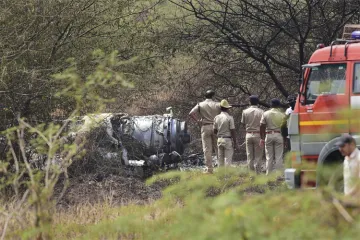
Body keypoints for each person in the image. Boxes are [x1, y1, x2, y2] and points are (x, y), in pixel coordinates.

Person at [189, 90, 221, 173]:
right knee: (218, 148)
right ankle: (221, 167)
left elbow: (191, 113)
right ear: (213, 96)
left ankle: (209, 169)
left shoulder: (200, 104)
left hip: (205, 127)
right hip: (216, 127)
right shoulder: (217, 104)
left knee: (207, 149)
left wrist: (198, 121)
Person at [260, 98, 286, 175]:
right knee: (279, 157)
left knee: (269, 157)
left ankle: (268, 175)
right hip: (278, 135)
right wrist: (285, 139)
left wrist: (262, 137)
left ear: (271, 105)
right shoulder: (282, 115)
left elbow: (262, 126)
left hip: (268, 135)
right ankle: (279, 175)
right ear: (278, 106)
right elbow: (284, 128)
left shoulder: (265, 113)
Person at [241, 95, 264, 173]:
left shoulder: (245, 111)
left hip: (248, 134)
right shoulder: (261, 112)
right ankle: (258, 173)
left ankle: (251, 174)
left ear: (249, 102)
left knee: (249, 155)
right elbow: (263, 125)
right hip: (258, 134)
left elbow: (243, 124)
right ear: (257, 102)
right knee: (258, 155)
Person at [213, 99, 237, 167]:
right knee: (227, 159)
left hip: (219, 139)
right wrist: (235, 142)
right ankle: (227, 176)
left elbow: (214, 131)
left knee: (220, 159)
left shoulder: (216, 118)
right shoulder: (229, 118)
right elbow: (232, 130)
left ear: (220, 108)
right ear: (227, 108)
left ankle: (221, 175)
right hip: (227, 139)